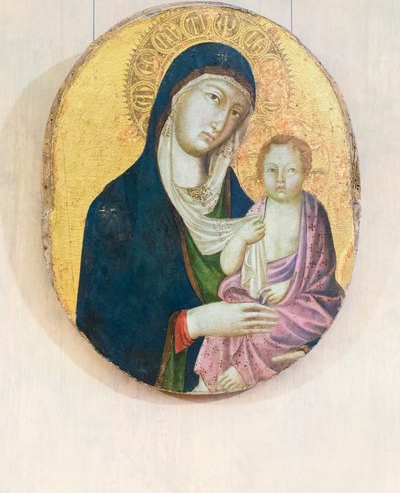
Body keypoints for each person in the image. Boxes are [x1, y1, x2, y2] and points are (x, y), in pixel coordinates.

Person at [76, 42, 278, 393]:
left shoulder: (247, 210)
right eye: (213, 98)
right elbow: (99, 331)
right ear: (176, 97)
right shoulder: (117, 209)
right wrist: (193, 323)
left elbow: (290, 293)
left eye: (235, 112)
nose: (220, 121)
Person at [194, 135, 345, 393]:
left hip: (304, 299)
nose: (281, 179)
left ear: (305, 172)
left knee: (269, 324)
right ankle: (205, 386)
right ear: (260, 173)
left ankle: (243, 371)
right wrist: (241, 238)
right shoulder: (257, 212)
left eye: (291, 170)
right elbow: (229, 268)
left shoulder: (313, 212)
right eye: (272, 170)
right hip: (257, 293)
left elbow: (322, 270)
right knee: (226, 321)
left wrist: (289, 287)